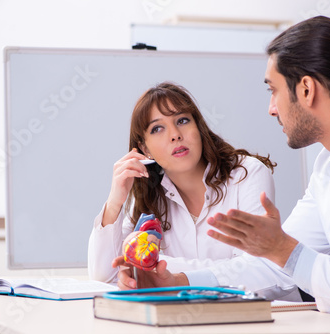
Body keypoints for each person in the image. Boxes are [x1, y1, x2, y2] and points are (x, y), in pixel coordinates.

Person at [114, 17, 330, 332]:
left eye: (273, 90)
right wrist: (177, 282)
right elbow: (274, 268)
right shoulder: (328, 165)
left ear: (306, 89)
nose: (271, 108)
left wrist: (281, 249)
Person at [88, 81, 301, 301]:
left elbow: (259, 270)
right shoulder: (146, 192)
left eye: (182, 120)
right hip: (194, 321)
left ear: (198, 128)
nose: (175, 135)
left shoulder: (246, 174)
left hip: (274, 318)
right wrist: (115, 202)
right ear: (144, 149)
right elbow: (103, 276)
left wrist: (160, 268)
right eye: (157, 128)